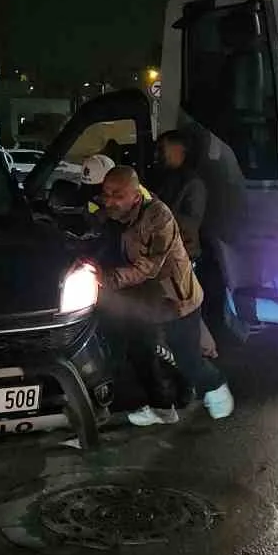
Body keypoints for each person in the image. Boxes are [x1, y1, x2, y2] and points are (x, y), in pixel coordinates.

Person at [93, 165, 234, 425]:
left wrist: (106, 279)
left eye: (117, 195)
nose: (109, 201)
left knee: (187, 358)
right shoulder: (111, 214)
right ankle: (161, 409)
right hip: (142, 300)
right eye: (106, 194)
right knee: (139, 353)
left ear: (136, 197)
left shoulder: (159, 217)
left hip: (176, 300)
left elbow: (148, 267)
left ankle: (215, 386)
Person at [153, 130, 219, 359]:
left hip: (183, 256)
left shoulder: (193, 184)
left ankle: (202, 353)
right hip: (169, 255)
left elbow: (191, 223)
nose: (159, 154)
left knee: (183, 309)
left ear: (180, 149)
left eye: (164, 148)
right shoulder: (170, 179)